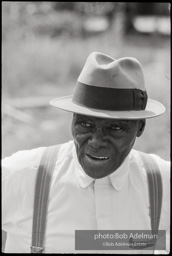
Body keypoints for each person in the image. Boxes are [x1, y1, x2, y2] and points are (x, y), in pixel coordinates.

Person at [2, 52, 170, 254]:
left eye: (115, 128)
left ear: (140, 127)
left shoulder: (163, 183)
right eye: (85, 124)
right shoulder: (20, 176)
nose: (96, 141)